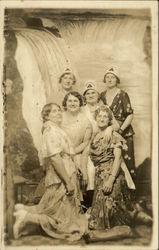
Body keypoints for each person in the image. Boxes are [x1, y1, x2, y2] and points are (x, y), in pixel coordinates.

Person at [13, 103, 88, 241]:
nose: (59, 113)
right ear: (46, 115)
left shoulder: (55, 129)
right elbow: (55, 158)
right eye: (54, 111)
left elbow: (63, 155)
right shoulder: (51, 131)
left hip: (67, 171)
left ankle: (25, 214)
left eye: (59, 110)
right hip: (61, 176)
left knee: (60, 211)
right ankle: (27, 217)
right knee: (60, 217)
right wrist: (67, 181)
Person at [88, 105, 152, 230]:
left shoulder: (114, 135)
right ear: (96, 118)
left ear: (109, 120)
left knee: (108, 214)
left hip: (113, 175)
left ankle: (138, 216)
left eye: (105, 116)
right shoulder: (94, 136)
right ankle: (136, 213)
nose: (102, 119)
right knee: (96, 216)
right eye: (99, 116)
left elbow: (117, 159)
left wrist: (111, 180)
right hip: (99, 176)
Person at [82, 81, 120, 210]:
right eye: (88, 93)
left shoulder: (104, 107)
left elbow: (116, 125)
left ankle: (99, 202)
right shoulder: (82, 110)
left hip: (104, 144)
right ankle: (88, 202)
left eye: (93, 92)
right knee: (89, 168)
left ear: (98, 95)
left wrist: (109, 129)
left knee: (102, 167)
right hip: (88, 144)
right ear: (84, 96)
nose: (91, 95)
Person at [100, 67, 136, 180]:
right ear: (104, 80)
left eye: (113, 77)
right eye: (107, 77)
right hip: (108, 130)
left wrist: (120, 130)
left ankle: (130, 193)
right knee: (111, 160)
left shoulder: (123, 94)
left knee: (126, 159)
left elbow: (130, 115)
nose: (110, 79)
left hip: (123, 131)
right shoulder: (101, 95)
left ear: (117, 80)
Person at [62, 91, 93, 199]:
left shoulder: (85, 121)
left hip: (78, 152)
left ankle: (82, 202)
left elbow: (86, 141)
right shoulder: (59, 118)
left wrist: (73, 152)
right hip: (62, 152)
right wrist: (66, 153)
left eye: (75, 101)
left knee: (86, 170)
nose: (72, 103)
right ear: (65, 103)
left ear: (80, 103)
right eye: (69, 101)